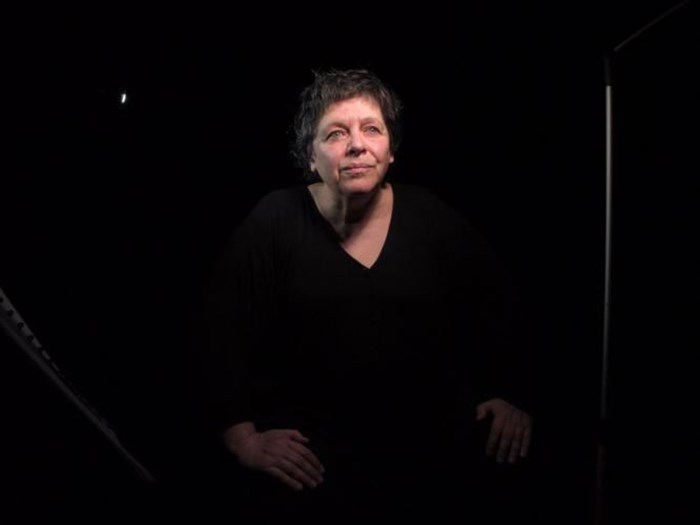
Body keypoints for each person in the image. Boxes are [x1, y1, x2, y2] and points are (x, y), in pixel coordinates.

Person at [202, 68, 534, 523]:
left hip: (426, 467)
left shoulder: (431, 217)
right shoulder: (275, 219)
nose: (357, 145)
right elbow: (221, 333)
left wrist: (511, 395)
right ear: (310, 156)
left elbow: (502, 307)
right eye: (336, 133)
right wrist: (243, 439)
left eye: (371, 129)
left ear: (391, 150)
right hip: (312, 474)